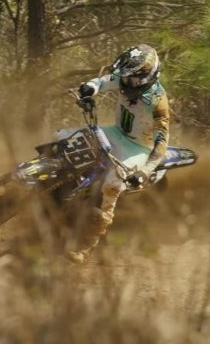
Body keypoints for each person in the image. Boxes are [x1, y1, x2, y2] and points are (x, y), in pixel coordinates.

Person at [65, 44, 170, 264]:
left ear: (147, 77)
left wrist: (144, 171)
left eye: (133, 79)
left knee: (112, 185)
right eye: (126, 77)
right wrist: (89, 88)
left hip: (138, 147)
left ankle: (87, 245)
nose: (127, 83)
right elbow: (103, 82)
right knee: (63, 137)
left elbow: (162, 142)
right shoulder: (125, 78)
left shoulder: (158, 101)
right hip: (115, 133)